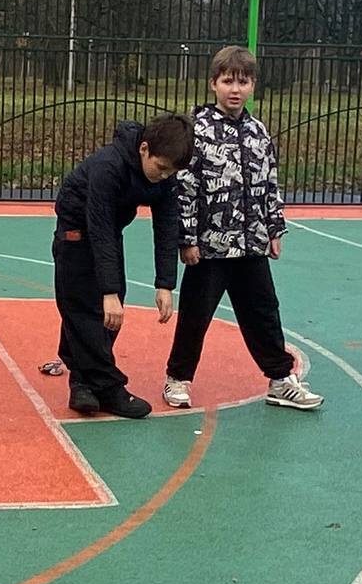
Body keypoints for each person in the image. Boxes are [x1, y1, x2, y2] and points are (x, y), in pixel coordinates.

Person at [164, 46, 321, 412]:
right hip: (209, 248)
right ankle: (178, 378)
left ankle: (281, 379)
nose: (235, 89)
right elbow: (184, 188)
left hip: (250, 245)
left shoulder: (257, 132)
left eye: (243, 81)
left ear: (252, 86)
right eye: (227, 81)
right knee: (196, 316)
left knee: (264, 312)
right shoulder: (197, 130)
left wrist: (274, 228)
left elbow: (269, 183)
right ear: (213, 84)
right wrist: (186, 239)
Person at [52, 114, 193, 419]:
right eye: (161, 168)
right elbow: (99, 228)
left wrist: (165, 283)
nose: (166, 176)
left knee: (109, 314)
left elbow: (168, 225)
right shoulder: (108, 167)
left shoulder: (163, 177)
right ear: (144, 149)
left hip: (109, 228)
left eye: (172, 171)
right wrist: (108, 290)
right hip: (76, 226)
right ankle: (110, 387)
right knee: (84, 306)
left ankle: (82, 384)